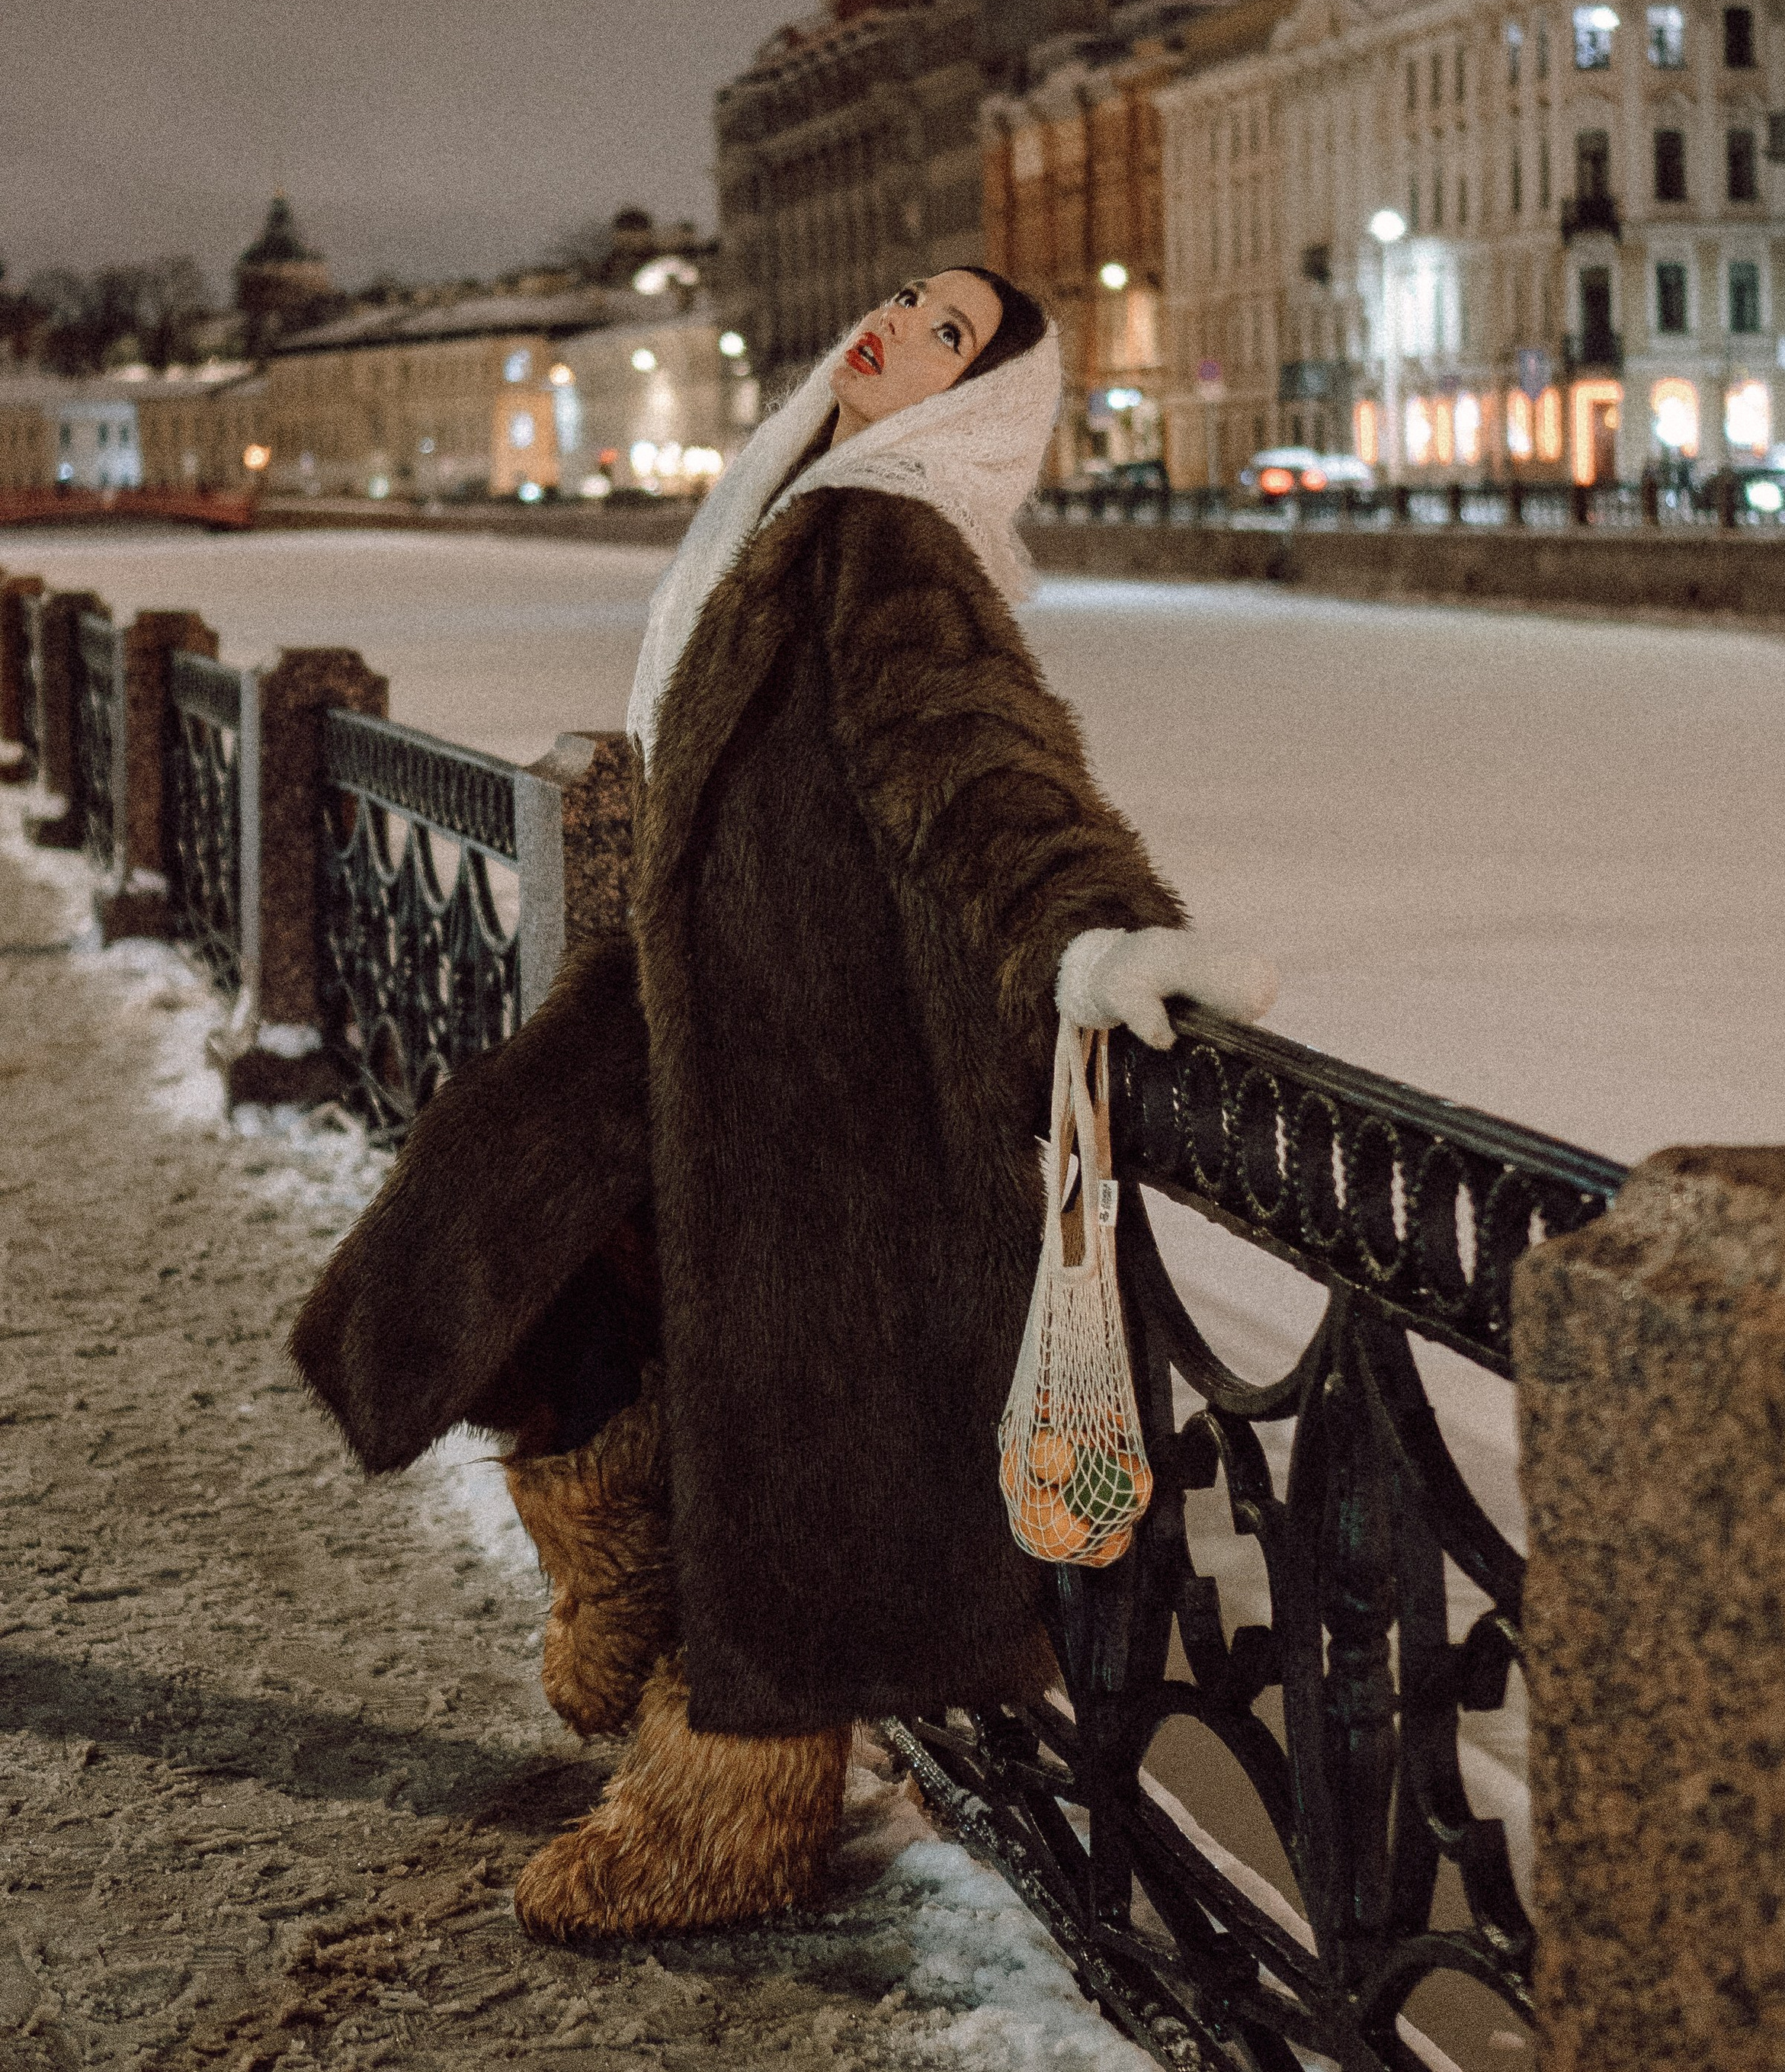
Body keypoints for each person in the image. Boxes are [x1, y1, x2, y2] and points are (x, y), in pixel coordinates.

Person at [293, 268, 1274, 1940]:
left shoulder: (881, 538)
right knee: (529, 1275)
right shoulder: (804, 514)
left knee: (783, 1483)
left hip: (823, 1099)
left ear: (980, 404)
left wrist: (1088, 930)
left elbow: (974, 761)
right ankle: (615, 1566)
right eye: (906, 302)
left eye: (951, 335)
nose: (898, 326)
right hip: (713, 1031)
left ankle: (718, 1831)